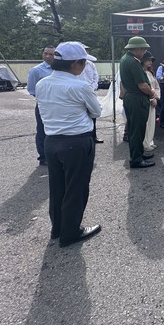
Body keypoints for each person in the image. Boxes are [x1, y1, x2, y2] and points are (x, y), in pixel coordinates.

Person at [36, 42, 103, 247]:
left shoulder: (42, 83)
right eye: (83, 62)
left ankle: (57, 228)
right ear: (75, 64)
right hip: (76, 141)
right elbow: (96, 112)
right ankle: (71, 231)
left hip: (52, 141)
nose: (84, 66)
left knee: (57, 187)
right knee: (76, 187)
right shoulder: (79, 86)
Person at [119, 36, 157, 168]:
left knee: (135, 129)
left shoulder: (125, 59)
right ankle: (136, 159)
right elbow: (142, 85)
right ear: (138, 49)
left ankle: (139, 153)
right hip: (137, 99)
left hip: (131, 97)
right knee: (137, 130)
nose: (144, 52)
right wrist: (153, 93)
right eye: (144, 49)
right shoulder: (133, 62)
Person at [27, 45, 55, 166]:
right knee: (42, 130)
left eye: (51, 54)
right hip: (44, 105)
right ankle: (43, 157)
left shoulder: (59, 69)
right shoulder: (36, 70)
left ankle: (54, 155)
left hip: (58, 105)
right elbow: (32, 90)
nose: (48, 56)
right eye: (45, 53)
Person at [78, 51, 103, 143]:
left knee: (93, 113)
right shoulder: (75, 65)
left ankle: (93, 136)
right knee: (81, 113)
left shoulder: (91, 64)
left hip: (90, 91)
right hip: (78, 92)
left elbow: (95, 77)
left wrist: (92, 88)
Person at [142, 52, 160, 153]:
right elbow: (142, 88)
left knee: (151, 122)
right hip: (145, 101)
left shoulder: (150, 73)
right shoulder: (141, 73)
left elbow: (156, 86)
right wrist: (151, 98)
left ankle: (149, 141)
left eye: (150, 60)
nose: (150, 62)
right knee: (146, 123)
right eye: (148, 60)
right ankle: (144, 143)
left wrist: (156, 98)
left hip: (152, 101)